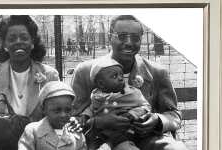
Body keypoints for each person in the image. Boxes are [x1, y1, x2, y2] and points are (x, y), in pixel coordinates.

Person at [71, 15, 188, 150]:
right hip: (101, 140)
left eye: (135, 38)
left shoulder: (157, 72)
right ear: (110, 37)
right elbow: (72, 117)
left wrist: (157, 120)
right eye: (122, 36)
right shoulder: (85, 71)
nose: (129, 43)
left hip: (148, 138)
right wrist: (98, 122)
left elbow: (173, 114)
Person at [0, 15, 59, 122]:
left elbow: (57, 115)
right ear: (5, 45)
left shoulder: (50, 75)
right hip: (0, 137)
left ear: (32, 43)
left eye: (24, 38)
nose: (18, 42)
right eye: (12, 39)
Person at [83, 58, 151, 150]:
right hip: (100, 134)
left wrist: (133, 114)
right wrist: (85, 116)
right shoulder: (96, 96)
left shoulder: (131, 93)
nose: (120, 78)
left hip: (124, 132)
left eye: (121, 75)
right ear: (101, 84)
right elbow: (91, 108)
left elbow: (146, 106)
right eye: (114, 76)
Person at [18, 81, 87, 150]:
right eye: (57, 110)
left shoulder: (76, 134)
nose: (63, 115)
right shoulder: (33, 131)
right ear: (43, 109)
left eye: (68, 110)